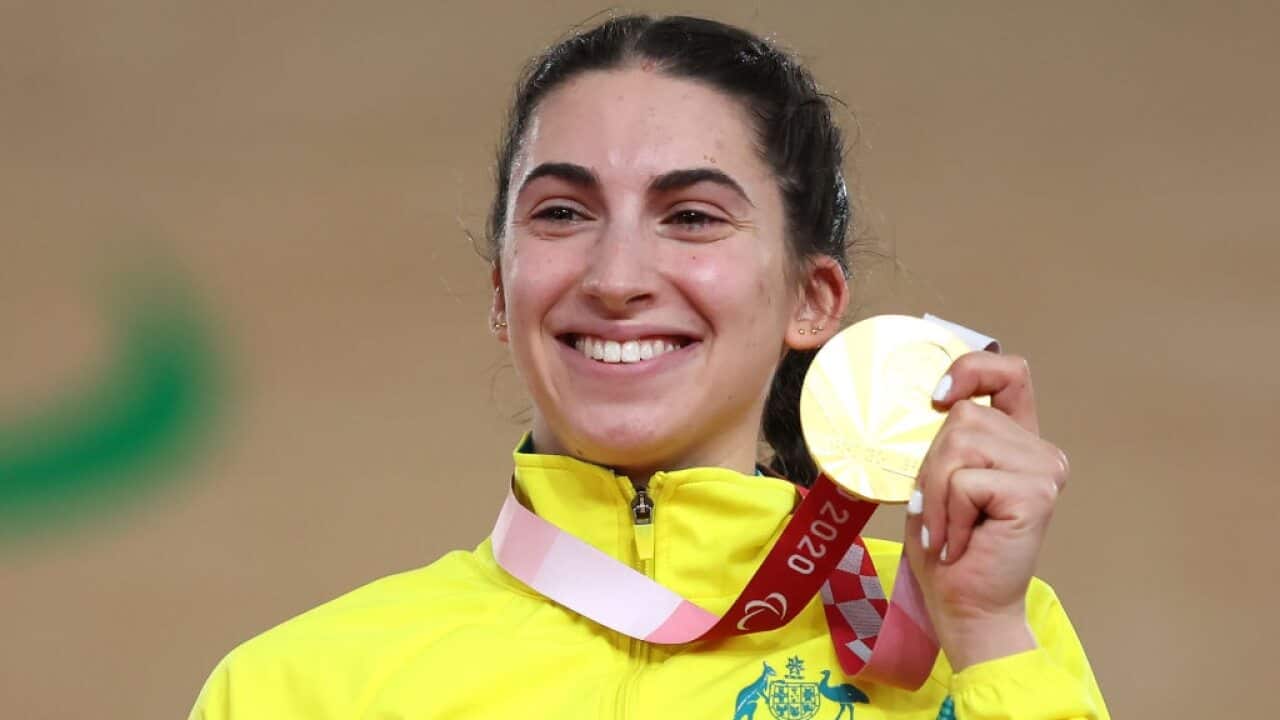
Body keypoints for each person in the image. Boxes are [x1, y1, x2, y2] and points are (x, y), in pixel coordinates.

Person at [189, 15, 1108, 719]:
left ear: (812, 299)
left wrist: (986, 636)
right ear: (503, 289)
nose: (616, 278)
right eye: (561, 213)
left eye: (692, 217)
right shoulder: (297, 688)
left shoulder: (980, 642)